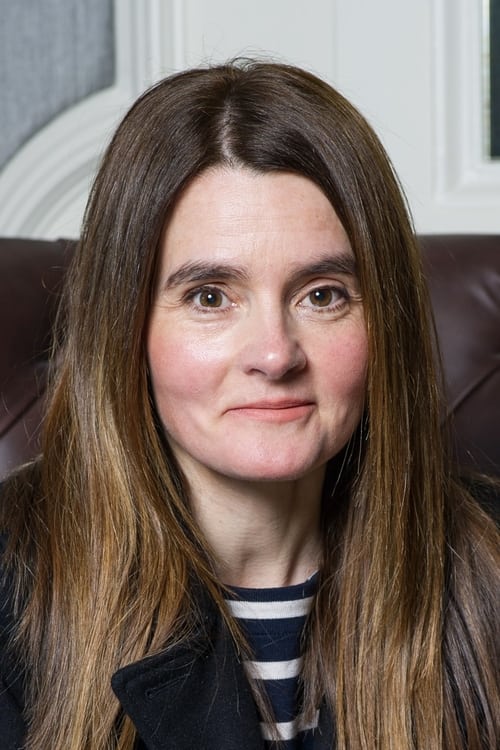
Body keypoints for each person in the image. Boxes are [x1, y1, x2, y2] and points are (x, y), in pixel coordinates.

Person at [0, 60, 498, 750]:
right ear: (127, 328)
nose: (274, 353)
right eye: (210, 297)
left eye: (322, 295)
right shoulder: (11, 592)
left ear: (385, 320)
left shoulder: (488, 564)